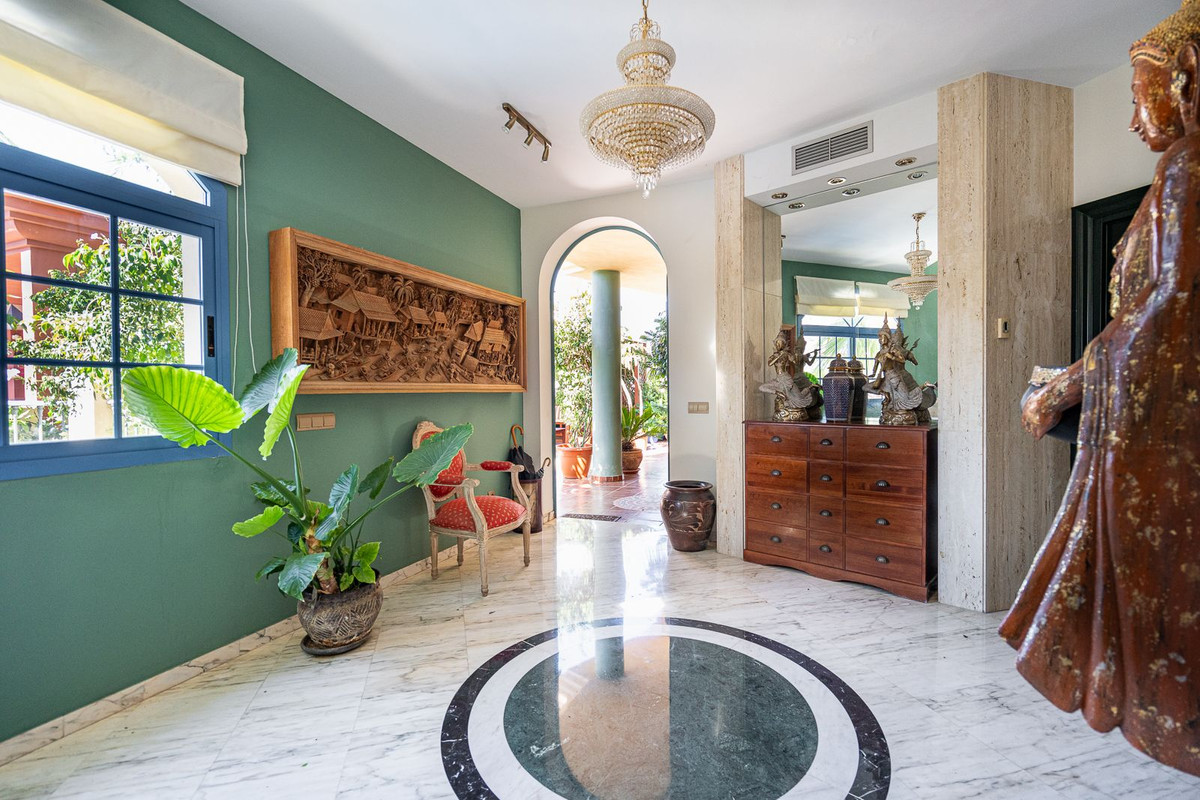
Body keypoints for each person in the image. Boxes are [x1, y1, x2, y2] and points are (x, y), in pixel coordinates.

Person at [1001, 0, 1200, 776]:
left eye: (1137, 97)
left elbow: (1167, 308)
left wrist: (1063, 389)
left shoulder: (1185, 168)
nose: (1132, 120)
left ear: (1186, 81)